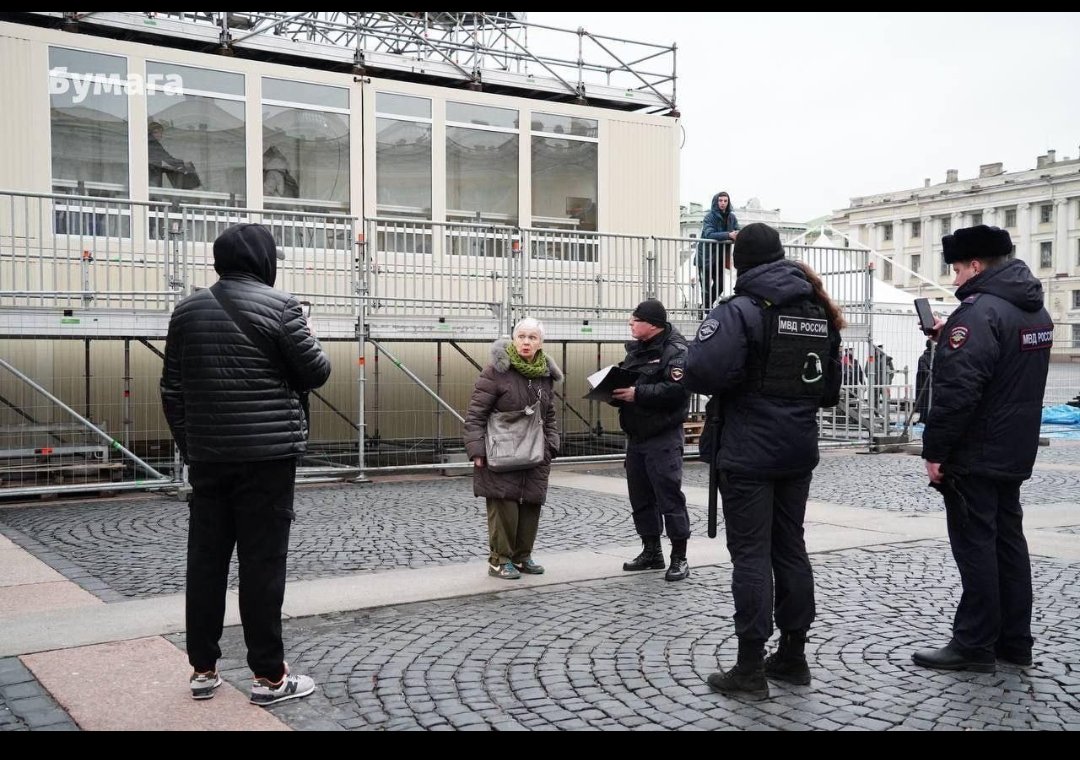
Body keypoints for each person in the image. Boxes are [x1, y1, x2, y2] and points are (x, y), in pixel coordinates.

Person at [160, 223, 331, 706]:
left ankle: (203, 669)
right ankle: (269, 677)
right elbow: (316, 371)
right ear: (265, 259)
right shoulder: (282, 307)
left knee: (206, 562)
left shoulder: (186, 310)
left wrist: (194, 446)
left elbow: (171, 391)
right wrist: (309, 336)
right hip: (268, 461)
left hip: (209, 459)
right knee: (262, 565)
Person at [684, 223, 843, 698]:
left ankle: (750, 667)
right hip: (798, 449)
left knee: (751, 555)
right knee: (789, 546)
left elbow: (699, 371)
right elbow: (829, 391)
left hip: (749, 450)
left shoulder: (741, 310)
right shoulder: (817, 309)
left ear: (737, 262)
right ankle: (793, 656)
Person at [912, 224, 1052, 674]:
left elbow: (958, 392)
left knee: (976, 548)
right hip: (1014, 448)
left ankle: (973, 644)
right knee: (1009, 546)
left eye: (956, 269)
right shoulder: (1033, 310)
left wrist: (934, 452)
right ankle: (1015, 641)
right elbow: (1002, 366)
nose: (954, 280)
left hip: (976, 452)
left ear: (975, 265)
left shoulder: (978, 313)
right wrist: (950, 334)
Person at [463, 318, 562, 580]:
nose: (526, 342)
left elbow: (549, 414)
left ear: (541, 342)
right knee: (504, 504)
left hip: (535, 449)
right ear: (513, 338)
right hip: (501, 447)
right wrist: (477, 451)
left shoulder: (544, 374)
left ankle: (521, 556)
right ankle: (499, 559)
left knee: (531, 503)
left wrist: (552, 444)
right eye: (522, 336)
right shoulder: (495, 371)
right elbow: (475, 414)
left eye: (532, 337)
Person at [612, 298, 692, 582]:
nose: (630, 324)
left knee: (669, 496)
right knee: (641, 497)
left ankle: (679, 556)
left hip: (663, 435)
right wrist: (613, 391)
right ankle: (651, 551)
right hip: (637, 435)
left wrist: (637, 395)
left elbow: (678, 391)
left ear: (652, 324)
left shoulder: (676, 350)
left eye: (635, 320)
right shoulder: (637, 350)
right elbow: (631, 382)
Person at [695, 191, 740, 316]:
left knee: (720, 285)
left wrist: (738, 234)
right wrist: (728, 235)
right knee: (705, 287)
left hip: (720, 257)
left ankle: (705, 307)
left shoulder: (732, 217)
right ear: (716, 201)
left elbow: (737, 229)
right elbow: (709, 234)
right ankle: (706, 310)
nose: (723, 203)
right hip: (705, 256)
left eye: (725, 201)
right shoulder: (709, 217)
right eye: (720, 200)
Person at [148, 121, 199, 189]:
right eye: (156, 132)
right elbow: (166, 158)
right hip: (151, 176)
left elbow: (166, 158)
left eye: (160, 132)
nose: (159, 134)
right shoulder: (152, 144)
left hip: (152, 175)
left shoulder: (153, 143)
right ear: (150, 133)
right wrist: (182, 163)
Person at [914, 339, 933, 422]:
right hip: (924, 384)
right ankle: (924, 418)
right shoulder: (923, 358)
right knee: (925, 401)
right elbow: (923, 369)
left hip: (931, 383)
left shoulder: (936, 356)